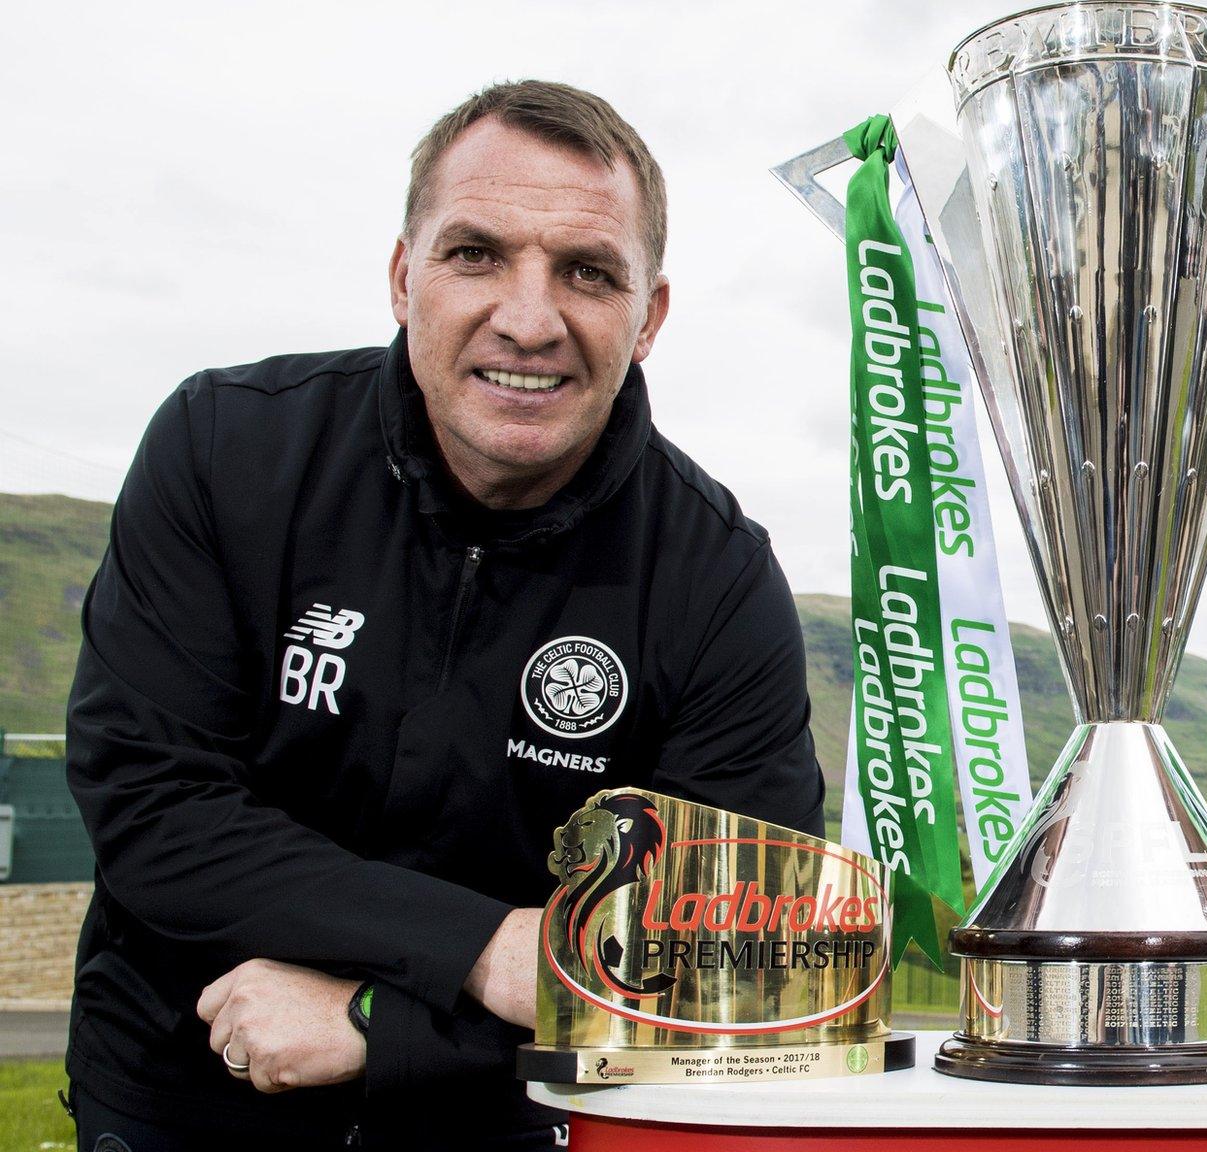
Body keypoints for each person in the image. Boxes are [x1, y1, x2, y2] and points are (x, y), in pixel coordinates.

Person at [63, 81, 825, 1150]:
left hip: (495, 1128)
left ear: (646, 317)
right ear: (400, 277)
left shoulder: (715, 582)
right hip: (184, 1101)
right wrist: (488, 948)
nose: (527, 318)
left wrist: (390, 1023)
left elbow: (734, 964)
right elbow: (158, 813)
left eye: (587, 272)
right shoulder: (223, 450)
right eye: (475, 254)